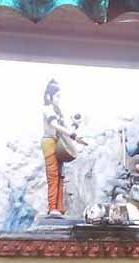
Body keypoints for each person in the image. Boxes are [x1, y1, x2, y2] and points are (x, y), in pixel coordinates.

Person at [41, 79, 79, 216]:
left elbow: (65, 129)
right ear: (49, 97)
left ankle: (59, 207)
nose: (58, 100)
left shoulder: (58, 111)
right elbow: (54, 124)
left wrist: (74, 129)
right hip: (50, 142)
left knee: (60, 176)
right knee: (53, 176)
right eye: (57, 96)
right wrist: (70, 133)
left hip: (58, 144)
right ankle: (52, 207)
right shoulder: (48, 109)